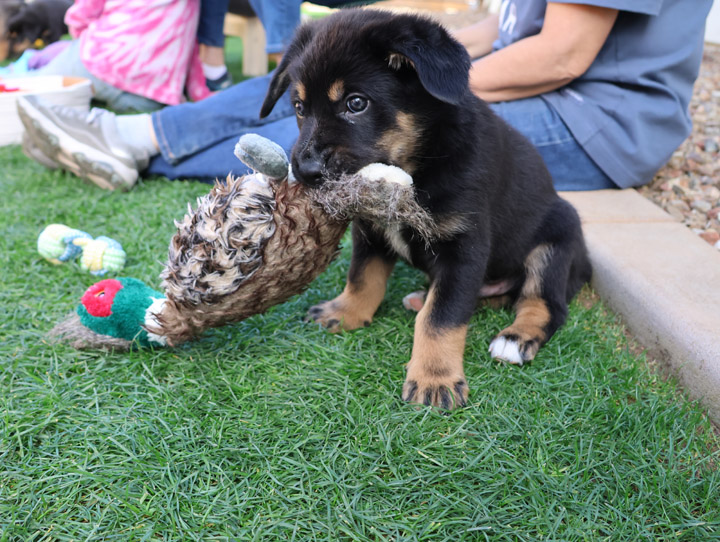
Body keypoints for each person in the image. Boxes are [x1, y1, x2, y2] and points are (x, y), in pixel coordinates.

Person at [18, 1, 713, 191]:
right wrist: (393, 34)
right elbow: (492, 29)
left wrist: (428, 77)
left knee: (349, 115)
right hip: (567, 100)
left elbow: (562, 54)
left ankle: (136, 144)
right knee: (333, 79)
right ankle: (136, 145)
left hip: (597, 121)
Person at [32, 0, 210, 112]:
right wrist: (200, 93)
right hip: (149, 97)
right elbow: (191, 43)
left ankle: (26, 66)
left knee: (32, 87)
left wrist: (80, 37)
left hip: (98, 61)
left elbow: (81, 16)